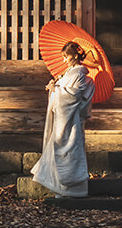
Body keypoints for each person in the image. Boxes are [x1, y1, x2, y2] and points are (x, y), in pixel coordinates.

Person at [31, 41, 96, 197]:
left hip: (71, 120)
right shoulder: (69, 73)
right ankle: (58, 187)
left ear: (74, 56)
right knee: (57, 150)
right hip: (62, 118)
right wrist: (54, 87)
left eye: (66, 57)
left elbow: (73, 97)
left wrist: (57, 90)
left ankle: (73, 189)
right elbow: (64, 92)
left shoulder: (80, 75)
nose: (64, 60)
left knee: (70, 151)